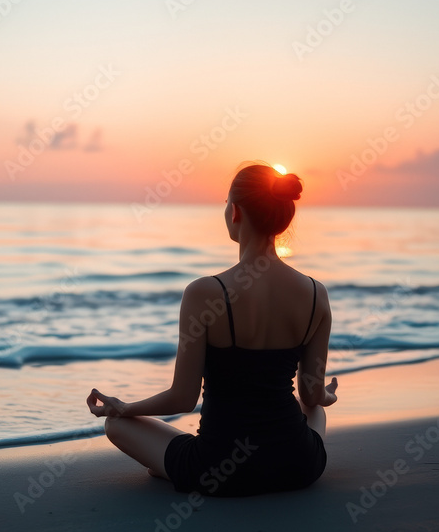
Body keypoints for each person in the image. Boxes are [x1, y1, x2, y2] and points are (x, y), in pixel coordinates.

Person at [86, 162, 338, 496]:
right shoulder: (316, 294)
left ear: (235, 211)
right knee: (315, 409)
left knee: (116, 426)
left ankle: (169, 465)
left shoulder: (204, 293)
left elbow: (183, 397)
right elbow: (310, 394)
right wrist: (326, 395)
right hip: (297, 465)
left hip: (218, 470)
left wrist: (126, 407)